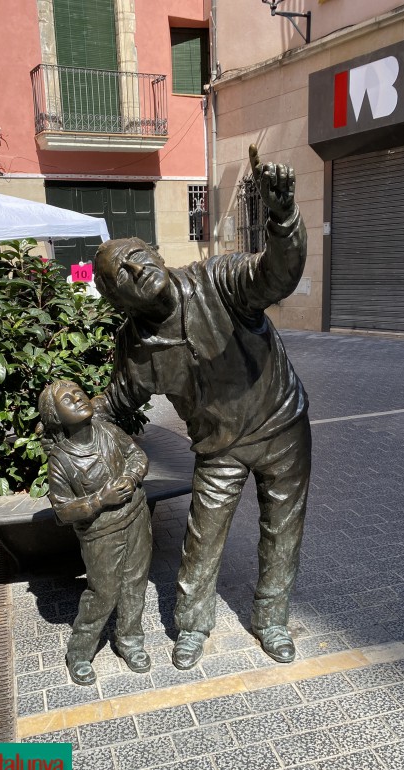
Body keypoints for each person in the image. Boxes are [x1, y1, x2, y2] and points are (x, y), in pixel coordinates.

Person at [93, 144, 311, 668]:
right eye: (119, 271)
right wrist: (74, 424)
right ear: (117, 300)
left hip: (282, 427)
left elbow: (276, 276)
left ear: (157, 253)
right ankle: (192, 625)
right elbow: (119, 402)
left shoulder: (220, 279)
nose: (134, 267)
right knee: (203, 537)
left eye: (136, 254)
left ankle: (271, 618)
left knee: (283, 530)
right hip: (219, 450)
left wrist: (283, 220)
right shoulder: (137, 346)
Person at [38, 379, 152, 686]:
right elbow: (63, 510)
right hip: (101, 534)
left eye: (78, 392)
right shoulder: (61, 460)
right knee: (103, 594)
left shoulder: (109, 432)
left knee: (135, 584)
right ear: (55, 415)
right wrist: (100, 499)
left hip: (138, 517)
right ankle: (79, 652)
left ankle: (130, 641)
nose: (77, 398)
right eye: (66, 399)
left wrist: (131, 476)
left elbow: (137, 456)